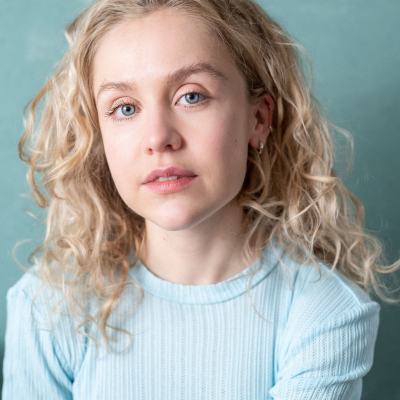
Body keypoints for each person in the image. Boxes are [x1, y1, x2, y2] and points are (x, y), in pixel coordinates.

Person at [3, 0, 399, 399]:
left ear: (258, 119)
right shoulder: (47, 307)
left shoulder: (323, 312)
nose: (159, 138)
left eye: (191, 97)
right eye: (125, 108)